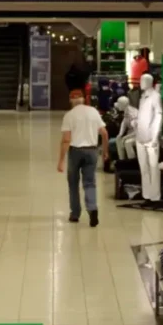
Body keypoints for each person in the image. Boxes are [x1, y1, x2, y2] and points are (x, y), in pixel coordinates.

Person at [58, 89, 109, 226]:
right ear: (83, 99)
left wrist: (61, 160)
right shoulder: (93, 112)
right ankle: (92, 210)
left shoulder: (69, 115)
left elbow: (66, 140)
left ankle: (75, 214)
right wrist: (105, 151)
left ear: (71, 100)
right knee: (90, 183)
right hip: (92, 151)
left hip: (75, 152)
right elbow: (104, 133)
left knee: (73, 183)